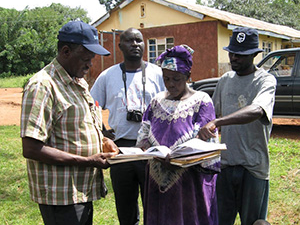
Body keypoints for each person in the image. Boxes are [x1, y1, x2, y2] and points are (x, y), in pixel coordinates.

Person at [20, 20, 119, 225]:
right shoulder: (43, 86)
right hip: (60, 195)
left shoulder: (77, 82)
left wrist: (103, 140)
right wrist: (86, 161)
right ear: (66, 51)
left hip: (80, 191)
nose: (90, 65)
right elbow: (31, 148)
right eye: (85, 59)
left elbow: (80, 123)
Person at [200, 27, 277, 225]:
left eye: (240, 55)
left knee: (253, 222)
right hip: (225, 165)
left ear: (253, 55)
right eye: (232, 53)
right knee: (220, 220)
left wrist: (218, 122)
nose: (234, 58)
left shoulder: (265, 80)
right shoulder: (225, 81)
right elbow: (212, 114)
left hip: (253, 167)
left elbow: (257, 110)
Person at [136, 45, 220, 225]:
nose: (171, 84)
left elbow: (210, 145)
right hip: (157, 178)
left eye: (176, 79)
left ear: (188, 77)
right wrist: (149, 151)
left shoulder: (202, 101)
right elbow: (143, 134)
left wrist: (180, 159)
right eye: (166, 79)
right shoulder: (157, 101)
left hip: (190, 182)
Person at [90, 27, 165, 225]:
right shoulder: (108, 76)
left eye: (139, 41)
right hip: (121, 150)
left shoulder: (158, 74)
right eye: (130, 41)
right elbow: (91, 105)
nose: (135, 45)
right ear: (120, 45)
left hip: (151, 148)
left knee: (156, 204)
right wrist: (103, 131)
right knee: (125, 206)